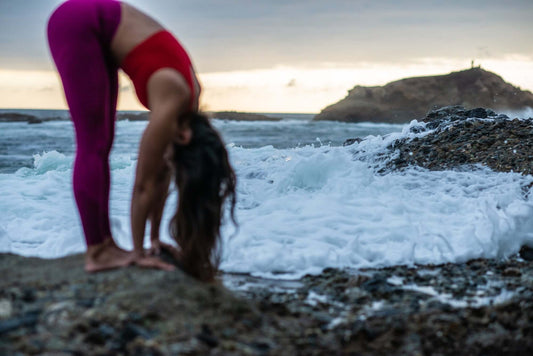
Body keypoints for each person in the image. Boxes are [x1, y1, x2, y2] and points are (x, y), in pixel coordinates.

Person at [47, 0, 236, 281]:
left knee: (102, 143)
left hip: (97, 28)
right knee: (94, 145)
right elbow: (144, 183)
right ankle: (98, 251)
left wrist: (154, 240)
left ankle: (106, 245)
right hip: (78, 22)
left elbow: (161, 174)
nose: (171, 162)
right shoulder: (175, 96)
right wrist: (138, 253)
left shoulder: (187, 108)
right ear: (185, 136)